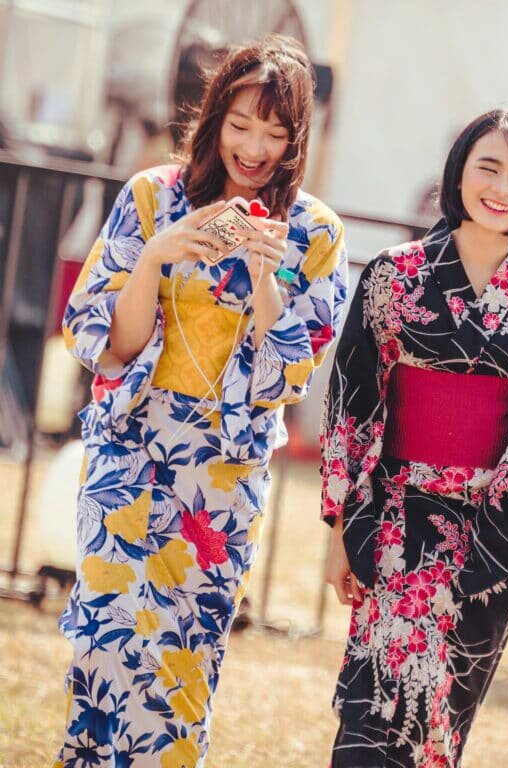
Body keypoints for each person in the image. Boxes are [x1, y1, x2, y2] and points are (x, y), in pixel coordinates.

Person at [55, 35, 347, 767]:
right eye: (241, 124)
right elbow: (103, 341)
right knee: (108, 642)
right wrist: (158, 255)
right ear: (214, 116)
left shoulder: (315, 233)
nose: (254, 148)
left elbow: (288, 378)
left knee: (188, 656)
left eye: (276, 134)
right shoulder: (152, 196)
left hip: (223, 471)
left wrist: (265, 282)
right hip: (132, 446)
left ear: (298, 139)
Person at [320, 108, 508, 768]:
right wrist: (336, 532)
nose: (500, 189)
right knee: (372, 710)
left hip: (493, 532)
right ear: (459, 172)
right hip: (394, 517)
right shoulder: (393, 273)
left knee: (444, 720)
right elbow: (354, 401)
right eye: (487, 168)